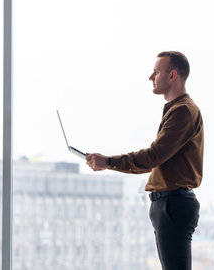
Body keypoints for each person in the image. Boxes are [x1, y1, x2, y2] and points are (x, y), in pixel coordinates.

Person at [86, 51, 203, 270]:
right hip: (169, 204)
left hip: (173, 204)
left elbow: (153, 156)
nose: (151, 77)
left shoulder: (183, 112)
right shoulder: (177, 110)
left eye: (157, 71)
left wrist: (109, 161)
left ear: (172, 75)